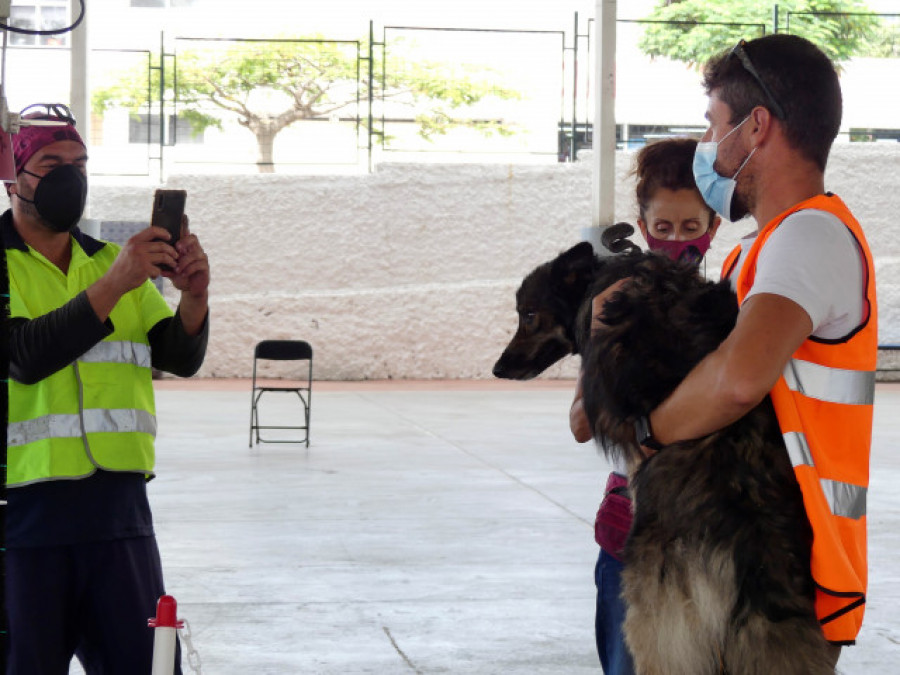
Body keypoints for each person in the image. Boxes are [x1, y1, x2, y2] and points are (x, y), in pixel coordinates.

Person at [620, 34, 875, 666]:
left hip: (782, 576)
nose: (706, 147)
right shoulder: (751, 253)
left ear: (756, 128)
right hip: (743, 557)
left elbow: (737, 380)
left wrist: (647, 434)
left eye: (713, 126)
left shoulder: (809, 235)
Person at [3, 104, 210, 673]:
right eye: (51, 162)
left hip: (118, 514)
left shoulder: (106, 262)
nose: (71, 176)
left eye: (81, 163)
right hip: (23, 515)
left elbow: (175, 356)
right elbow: (23, 357)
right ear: (14, 176)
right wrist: (118, 281)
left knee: (144, 664)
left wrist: (193, 297)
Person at [569, 136, 720, 674]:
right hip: (631, 533)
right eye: (662, 229)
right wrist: (604, 336)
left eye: (690, 229)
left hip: (713, 539)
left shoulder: (733, 309)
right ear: (642, 223)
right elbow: (581, 424)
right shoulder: (615, 301)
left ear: (714, 227)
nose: (677, 243)